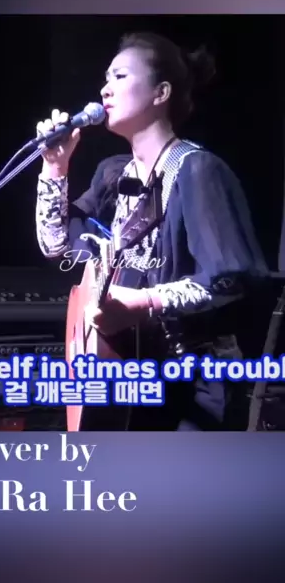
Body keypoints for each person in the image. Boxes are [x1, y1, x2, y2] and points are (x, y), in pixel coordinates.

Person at [34, 31, 269, 430]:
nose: (105, 89)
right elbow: (56, 245)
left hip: (192, 385)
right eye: (105, 78)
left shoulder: (197, 170)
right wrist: (55, 168)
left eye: (120, 76)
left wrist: (143, 302)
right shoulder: (113, 176)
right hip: (132, 376)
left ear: (161, 93)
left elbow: (230, 280)